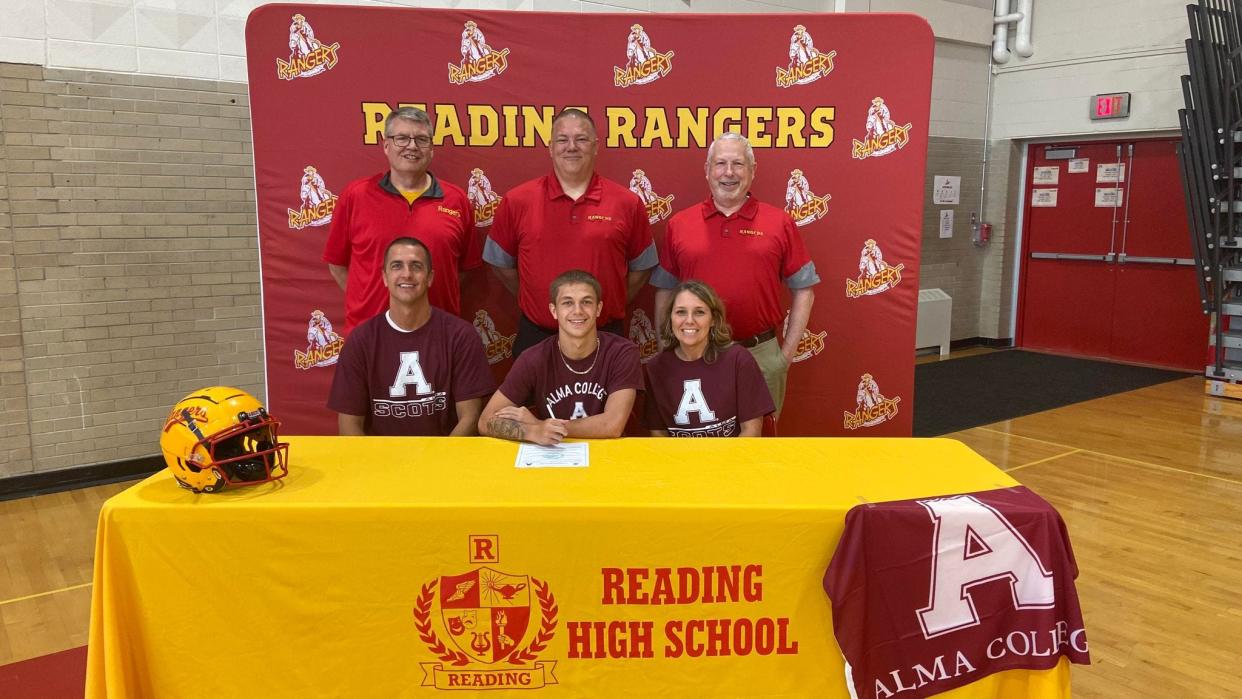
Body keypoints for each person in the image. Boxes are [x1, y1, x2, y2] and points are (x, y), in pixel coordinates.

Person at [651, 132, 819, 418]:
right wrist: (668, 348)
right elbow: (664, 291)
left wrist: (783, 356)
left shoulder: (780, 223)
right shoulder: (680, 224)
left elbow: (805, 290)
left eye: (738, 164)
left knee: (759, 452)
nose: (729, 173)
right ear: (707, 170)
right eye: (720, 164)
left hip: (761, 355)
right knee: (700, 446)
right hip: (695, 354)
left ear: (753, 171)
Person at [483, 108, 656, 357]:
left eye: (581, 139)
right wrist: (535, 297)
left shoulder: (627, 202)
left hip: (605, 336)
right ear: (551, 147)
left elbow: (642, 267)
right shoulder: (518, 200)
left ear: (596, 146)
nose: (571, 147)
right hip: (538, 337)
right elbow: (500, 263)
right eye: (563, 140)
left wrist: (604, 304)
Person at [323, 107, 478, 332]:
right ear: (386, 146)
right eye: (402, 138)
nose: (412, 146)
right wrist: (367, 302)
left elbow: (462, 271)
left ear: (432, 149)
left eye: (421, 139)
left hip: (437, 334)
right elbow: (337, 265)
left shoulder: (457, 200)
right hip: (370, 334)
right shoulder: (356, 195)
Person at [328, 237, 494, 436]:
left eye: (416, 266)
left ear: (430, 277)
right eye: (397, 266)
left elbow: (470, 418)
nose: (407, 274)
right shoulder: (361, 341)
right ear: (384, 277)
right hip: (380, 463)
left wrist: (438, 465)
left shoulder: (460, 336)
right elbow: (349, 425)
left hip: (443, 461)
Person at [478, 270, 641, 445]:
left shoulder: (622, 352)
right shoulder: (534, 357)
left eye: (586, 302)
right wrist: (531, 431)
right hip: (553, 454)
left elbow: (612, 425)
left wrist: (541, 425)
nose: (577, 311)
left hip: (608, 456)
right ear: (554, 310)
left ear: (598, 308)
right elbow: (485, 421)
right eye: (567, 303)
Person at [644, 281, 774, 437]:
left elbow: (751, 432)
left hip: (731, 459)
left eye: (699, 312)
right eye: (681, 312)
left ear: (713, 319)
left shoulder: (738, 360)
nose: (689, 320)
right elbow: (658, 434)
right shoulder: (656, 368)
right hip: (679, 461)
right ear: (670, 318)